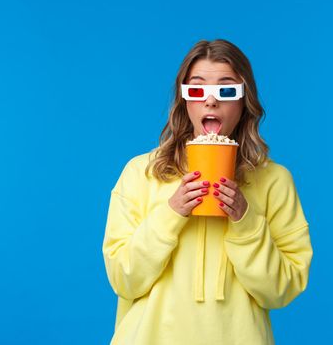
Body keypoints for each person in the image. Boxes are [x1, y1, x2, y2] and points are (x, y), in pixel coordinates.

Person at [102, 39, 313, 344]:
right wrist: (170, 212)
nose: (210, 101)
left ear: (245, 102)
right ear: (183, 100)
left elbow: (282, 289)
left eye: (226, 90)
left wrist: (246, 221)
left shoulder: (274, 180)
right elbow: (124, 279)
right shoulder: (140, 173)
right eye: (197, 89)